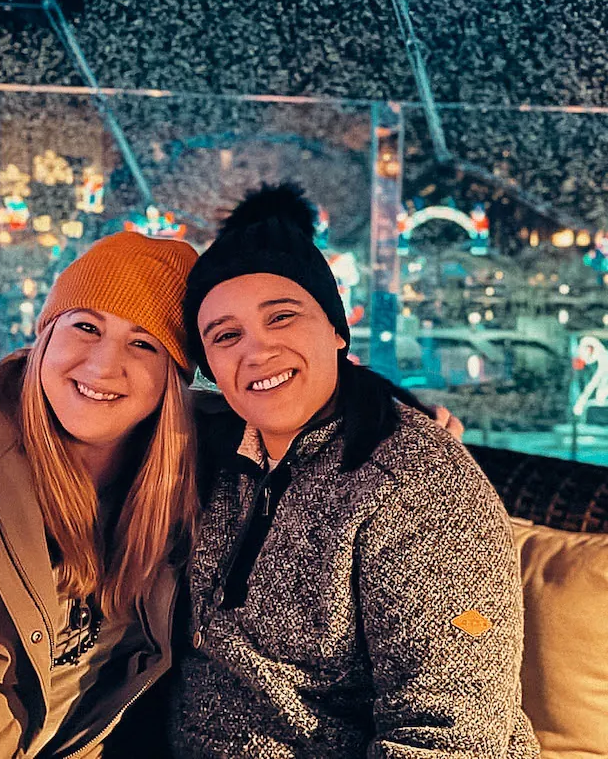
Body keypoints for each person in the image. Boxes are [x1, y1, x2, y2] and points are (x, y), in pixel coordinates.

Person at [170, 183, 540, 757]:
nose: (256, 352)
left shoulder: (416, 486)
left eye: (282, 317)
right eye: (226, 335)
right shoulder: (221, 450)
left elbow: (451, 740)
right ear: (209, 367)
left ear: (338, 331)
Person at [0, 231, 199, 758]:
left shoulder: (186, 473)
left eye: (143, 343)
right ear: (45, 335)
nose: (102, 365)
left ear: (173, 380)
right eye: (86, 326)